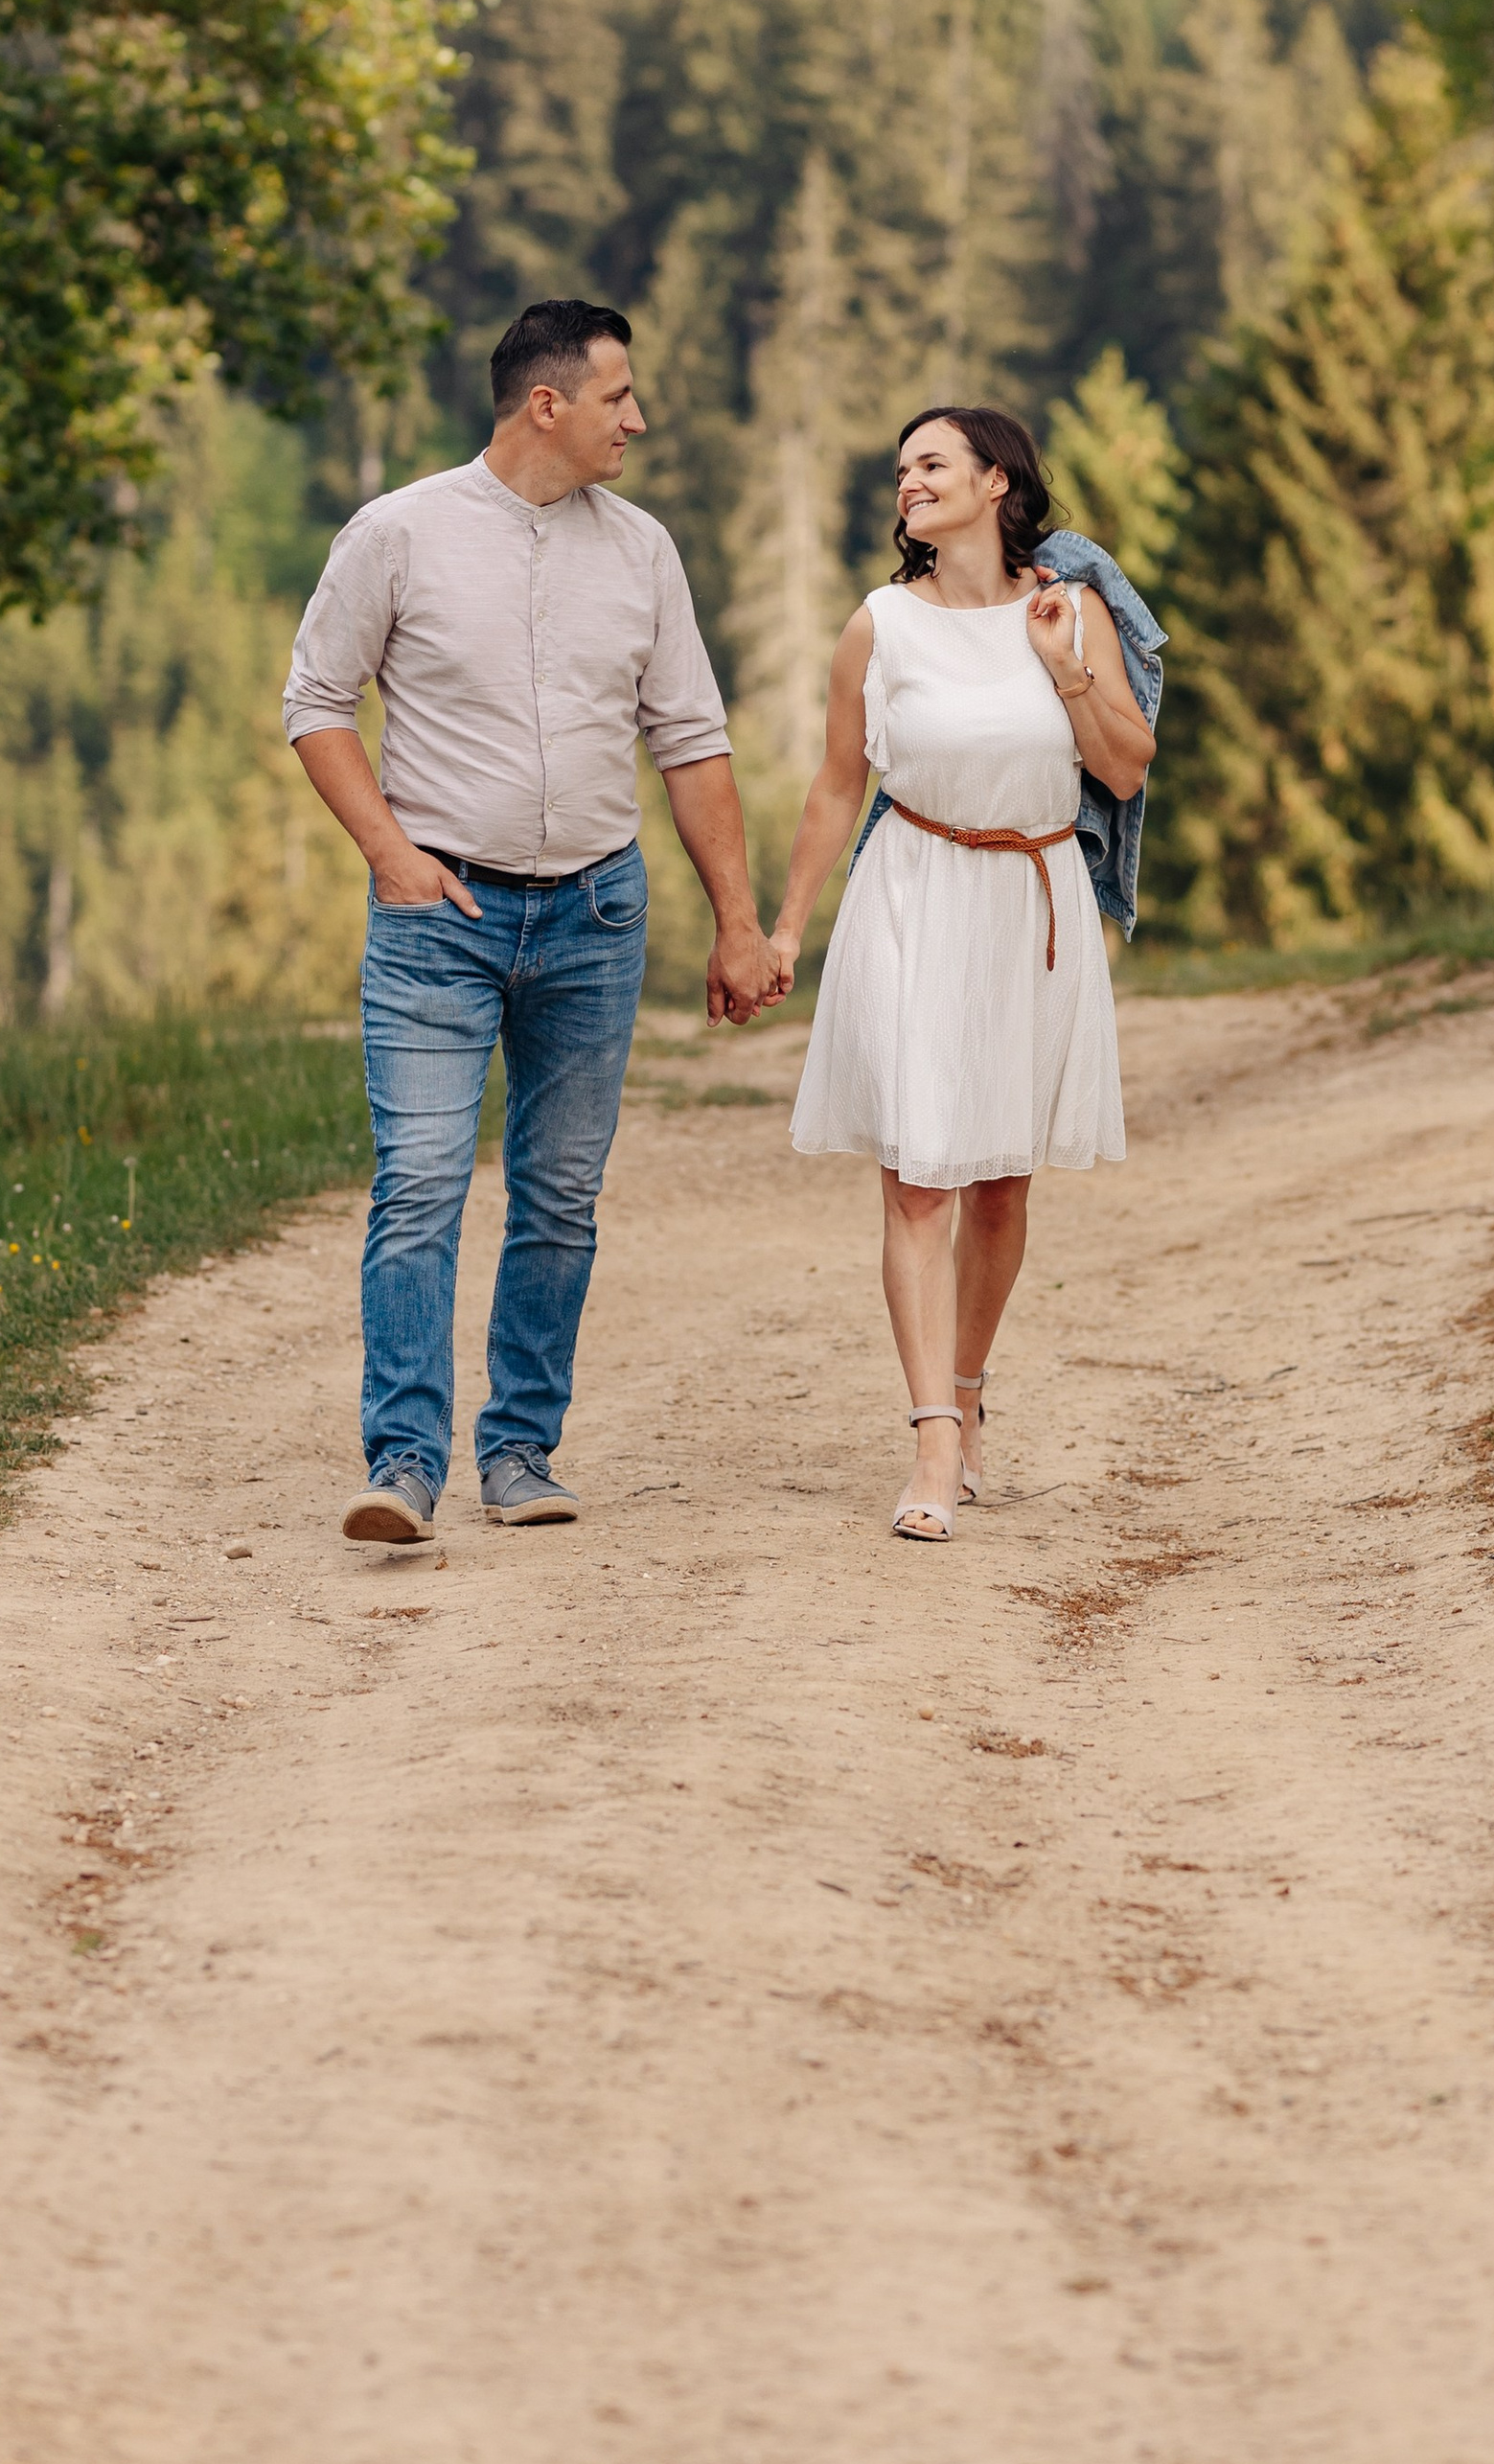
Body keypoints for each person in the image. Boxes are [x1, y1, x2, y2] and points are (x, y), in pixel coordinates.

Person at [282, 300, 776, 1544]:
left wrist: (739, 922)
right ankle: (403, 1461)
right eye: (621, 397)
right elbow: (317, 702)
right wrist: (389, 854)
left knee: (559, 1193)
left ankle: (518, 1451)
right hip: (437, 912)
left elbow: (692, 739)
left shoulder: (643, 550)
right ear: (546, 404)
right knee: (422, 1184)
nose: (640, 420)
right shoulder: (398, 534)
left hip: (596, 913)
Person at [770, 405, 1157, 1540]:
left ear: (997, 481)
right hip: (913, 894)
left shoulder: (1068, 608)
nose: (908, 484)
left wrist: (1064, 668)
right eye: (899, 471)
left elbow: (1125, 774)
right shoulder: (879, 624)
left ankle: (972, 1390)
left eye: (930, 464)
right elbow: (839, 786)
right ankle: (933, 1437)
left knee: (999, 1185)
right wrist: (788, 927)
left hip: (1030, 902)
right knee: (918, 1180)